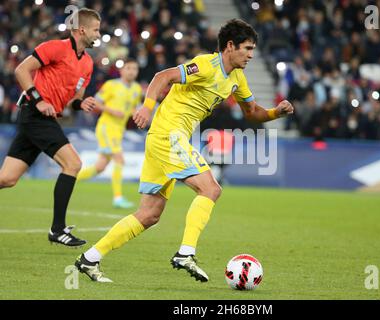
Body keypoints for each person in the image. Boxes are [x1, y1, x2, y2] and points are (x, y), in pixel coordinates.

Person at [75, 19, 293, 282]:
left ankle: (90, 258)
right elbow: (162, 76)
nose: (251, 54)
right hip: (169, 134)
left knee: (149, 214)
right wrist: (146, 107)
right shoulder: (205, 64)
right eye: (247, 48)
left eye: (253, 49)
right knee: (211, 189)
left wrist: (275, 113)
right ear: (230, 46)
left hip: (165, 139)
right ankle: (185, 253)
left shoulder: (237, 78)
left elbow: (253, 112)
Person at [0, 8, 101, 247]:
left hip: (44, 117)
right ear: (82, 29)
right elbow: (21, 70)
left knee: (7, 178)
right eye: (96, 29)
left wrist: (80, 103)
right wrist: (39, 99)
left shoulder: (87, 63)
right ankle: (57, 229)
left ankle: (57, 229)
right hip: (34, 113)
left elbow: (73, 99)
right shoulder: (55, 47)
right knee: (73, 164)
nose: (99, 34)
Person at [77, 59, 143, 209]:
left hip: (119, 130)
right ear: (122, 70)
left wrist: (138, 115)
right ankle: (118, 198)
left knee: (100, 167)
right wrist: (112, 110)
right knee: (119, 160)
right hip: (107, 127)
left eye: (134, 68)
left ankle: (70, 179)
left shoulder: (137, 89)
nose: (132, 71)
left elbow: (132, 108)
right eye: (129, 68)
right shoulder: (111, 85)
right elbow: (95, 102)